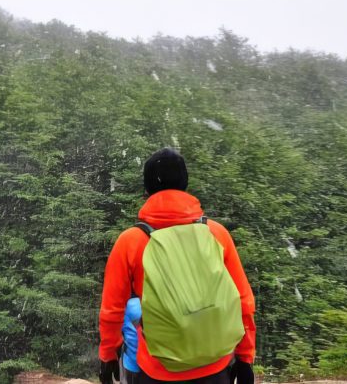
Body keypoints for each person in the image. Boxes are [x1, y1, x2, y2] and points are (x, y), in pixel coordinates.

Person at [99, 148, 256, 384]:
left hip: (157, 368)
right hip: (215, 364)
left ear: (148, 187)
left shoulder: (132, 240)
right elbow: (243, 301)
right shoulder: (216, 233)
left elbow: (112, 310)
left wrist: (108, 355)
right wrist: (245, 358)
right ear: (185, 183)